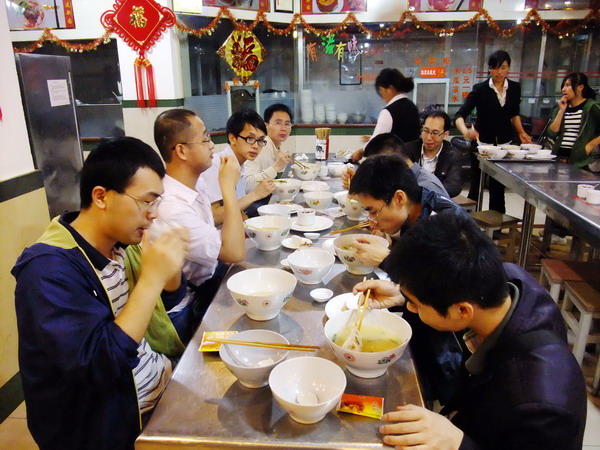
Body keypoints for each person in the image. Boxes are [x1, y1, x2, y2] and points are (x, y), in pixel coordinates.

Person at [353, 212, 587, 450]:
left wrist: (459, 443)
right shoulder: (506, 281)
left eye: (417, 305)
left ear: (462, 310)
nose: (412, 308)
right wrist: (404, 295)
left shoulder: (542, 407)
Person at [12, 137, 190, 449]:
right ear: (101, 197)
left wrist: (169, 271)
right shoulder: (48, 270)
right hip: (111, 424)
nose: (153, 214)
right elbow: (98, 364)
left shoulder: (120, 245)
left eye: (156, 202)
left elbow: (161, 310)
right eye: (146, 201)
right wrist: (151, 279)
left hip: (161, 384)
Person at [153, 109, 246, 343]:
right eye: (205, 139)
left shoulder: (195, 183)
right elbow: (233, 252)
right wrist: (228, 187)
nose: (212, 145)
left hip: (211, 278)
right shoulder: (171, 206)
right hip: (188, 306)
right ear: (181, 151)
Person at [455, 50, 532, 213]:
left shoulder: (514, 88)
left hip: (504, 145)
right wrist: (465, 131)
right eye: (495, 68)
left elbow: (514, 114)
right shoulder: (480, 89)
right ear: (489, 68)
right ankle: (469, 221)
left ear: (508, 68)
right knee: (476, 186)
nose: (499, 72)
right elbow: (460, 115)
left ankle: (496, 223)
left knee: (498, 187)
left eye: (503, 67)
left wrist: (521, 132)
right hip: (482, 144)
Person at [199, 108, 275, 224]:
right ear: (232, 138)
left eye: (260, 140)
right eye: (250, 138)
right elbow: (214, 217)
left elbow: (238, 208)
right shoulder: (215, 164)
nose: (256, 146)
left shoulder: (240, 165)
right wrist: (255, 194)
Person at [342, 132, 449, 197]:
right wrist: (358, 186)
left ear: (391, 164)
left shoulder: (425, 188)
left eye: (377, 171)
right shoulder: (402, 180)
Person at [350, 68, 421, 163]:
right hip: (412, 163)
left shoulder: (389, 111)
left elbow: (376, 143)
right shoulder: (412, 106)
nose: (380, 96)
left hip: (395, 164)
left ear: (390, 89)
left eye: (380, 90)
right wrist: (372, 138)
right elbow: (403, 135)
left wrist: (360, 152)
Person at [547, 72, 600, 170]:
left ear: (580, 87)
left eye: (568, 85)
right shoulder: (560, 108)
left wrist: (590, 145)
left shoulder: (591, 107)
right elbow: (551, 133)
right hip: (558, 160)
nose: (563, 89)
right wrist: (561, 111)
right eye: (563, 86)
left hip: (581, 163)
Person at [404, 111, 464, 197]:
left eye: (435, 133)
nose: (428, 138)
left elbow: (454, 186)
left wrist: (425, 193)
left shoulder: (452, 155)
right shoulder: (407, 150)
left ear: (445, 134)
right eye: (425, 131)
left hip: (438, 200)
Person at [243, 103, 293, 192]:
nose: (283, 128)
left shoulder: (281, 147)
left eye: (287, 124)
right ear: (266, 125)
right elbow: (247, 185)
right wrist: (276, 167)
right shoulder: (258, 147)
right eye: (278, 123)